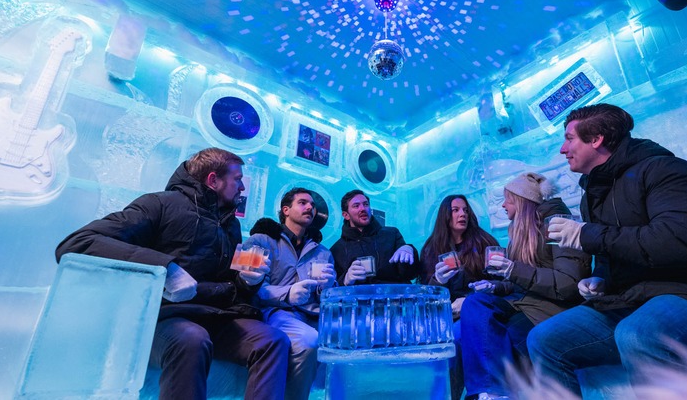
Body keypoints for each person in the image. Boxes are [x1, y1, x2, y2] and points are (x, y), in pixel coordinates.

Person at [526, 103, 687, 395]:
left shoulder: (666, 171)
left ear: (596, 140)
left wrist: (588, 235)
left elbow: (683, 244)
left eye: (569, 138)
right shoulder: (592, 194)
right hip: (637, 298)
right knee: (543, 339)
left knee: (638, 334)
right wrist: (601, 278)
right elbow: (613, 252)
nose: (563, 149)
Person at [55, 147, 289, 400]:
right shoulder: (159, 203)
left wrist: (246, 281)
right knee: (191, 339)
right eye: (238, 179)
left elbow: (228, 281)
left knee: (273, 340)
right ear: (213, 180)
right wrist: (166, 267)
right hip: (162, 317)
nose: (242, 187)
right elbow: (78, 242)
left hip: (214, 315)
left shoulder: (230, 224)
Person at [458, 172, 592, 399]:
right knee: (475, 302)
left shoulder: (558, 225)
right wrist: (496, 286)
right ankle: (488, 393)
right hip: (524, 304)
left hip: (550, 308)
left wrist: (513, 270)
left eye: (508, 199)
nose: (503, 205)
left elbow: (568, 284)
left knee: (504, 337)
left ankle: (503, 390)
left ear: (522, 201)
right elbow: (516, 284)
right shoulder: (520, 232)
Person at [244, 187, 336, 400]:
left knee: (349, 334)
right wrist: (287, 294)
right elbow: (250, 286)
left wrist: (329, 286)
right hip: (275, 311)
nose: (310, 207)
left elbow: (329, 296)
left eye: (312, 205)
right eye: (303, 203)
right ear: (286, 209)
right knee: (308, 339)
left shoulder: (323, 252)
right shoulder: (261, 241)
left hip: (314, 314)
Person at [420, 194, 505, 400]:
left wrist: (469, 301)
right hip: (446, 315)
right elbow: (426, 296)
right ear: (445, 215)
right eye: (456, 210)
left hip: (479, 309)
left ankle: (476, 393)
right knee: (442, 345)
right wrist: (437, 280)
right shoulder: (432, 249)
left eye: (465, 210)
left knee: (456, 340)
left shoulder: (485, 242)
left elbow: (501, 282)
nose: (462, 214)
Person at [330, 189, 420, 286]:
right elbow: (331, 287)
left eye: (365, 204)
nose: (363, 209)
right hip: (359, 299)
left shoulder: (392, 234)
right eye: (356, 206)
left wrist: (410, 249)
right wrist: (345, 280)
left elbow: (410, 274)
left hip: (395, 298)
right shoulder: (337, 249)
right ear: (346, 215)